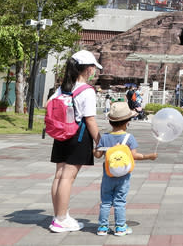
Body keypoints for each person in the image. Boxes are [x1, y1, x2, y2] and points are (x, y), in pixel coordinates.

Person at [49, 50, 103, 233]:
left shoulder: (63, 87)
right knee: (67, 177)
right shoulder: (87, 91)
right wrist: (100, 141)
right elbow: (90, 120)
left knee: (59, 175)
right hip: (78, 137)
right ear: (88, 69)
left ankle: (59, 215)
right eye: (94, 68)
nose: (94, 71)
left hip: (60, 135)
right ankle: (61, 219)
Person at [93, 102, 158, 236]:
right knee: (120, 202)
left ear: (111, 122)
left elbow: (98, 155)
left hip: (108, 176)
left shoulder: (105, 137)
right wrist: (149, 156)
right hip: (123, 178)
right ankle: (120, 227)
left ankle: (102, 227)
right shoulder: (129, 138)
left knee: (105, 201)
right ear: (127, 122)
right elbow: (134, 156)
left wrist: (95, 149)